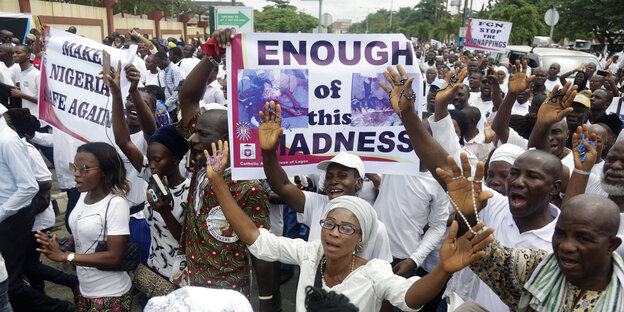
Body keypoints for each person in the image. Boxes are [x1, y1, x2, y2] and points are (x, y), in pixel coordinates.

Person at [201, 139, 495, 312]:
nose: (333, 232)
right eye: (329, 223)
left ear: (361, 238)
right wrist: (215, 180)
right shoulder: (309, 254)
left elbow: (408, 298)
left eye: (345, 228)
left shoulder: (373, 272)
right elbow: (254, 237)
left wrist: (443, 270)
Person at [440, 154, 623, 311]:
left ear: (611, 245)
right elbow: (481, 254)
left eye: (583, 238)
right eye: (559, 234)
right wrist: (469, 214)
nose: (566, 246)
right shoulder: (536, 267)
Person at [176, 29, 273, 310]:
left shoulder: (248, 187)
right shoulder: (201, 165)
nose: (192, 140)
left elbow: (262, 250)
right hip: (190, 281)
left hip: (226, 292)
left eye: (202, 134)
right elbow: (188, 98)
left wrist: (266, 301)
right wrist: (211, 56)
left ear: (226, 141)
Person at [108, 63, 190, 280]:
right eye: (149, 159)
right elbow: (123, 141)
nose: (150, 165)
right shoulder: (156, 180)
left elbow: (188, 240)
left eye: (157, 160)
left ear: (175, 159)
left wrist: (164, 211)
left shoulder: (191, 191)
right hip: (154, 267)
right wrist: (117, 95)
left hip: (179, 276)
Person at [36, 142, 132, 311]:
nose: (76, 174)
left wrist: (66, 257)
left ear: (104, 171)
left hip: (110, 295)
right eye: (74, 167)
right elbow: (84, 236)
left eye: (83, 169)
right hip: (86, 290)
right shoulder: (84, 196)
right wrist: (62, 242)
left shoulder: (116, 204)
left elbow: (115, 256)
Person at [154, 51, 183, 121]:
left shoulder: (174, 70)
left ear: (165, 59)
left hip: (174, 106)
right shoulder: (166, 70)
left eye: (159, 63)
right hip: (170, 106)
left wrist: (167, 104)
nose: (158, 65)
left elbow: (178, 90)